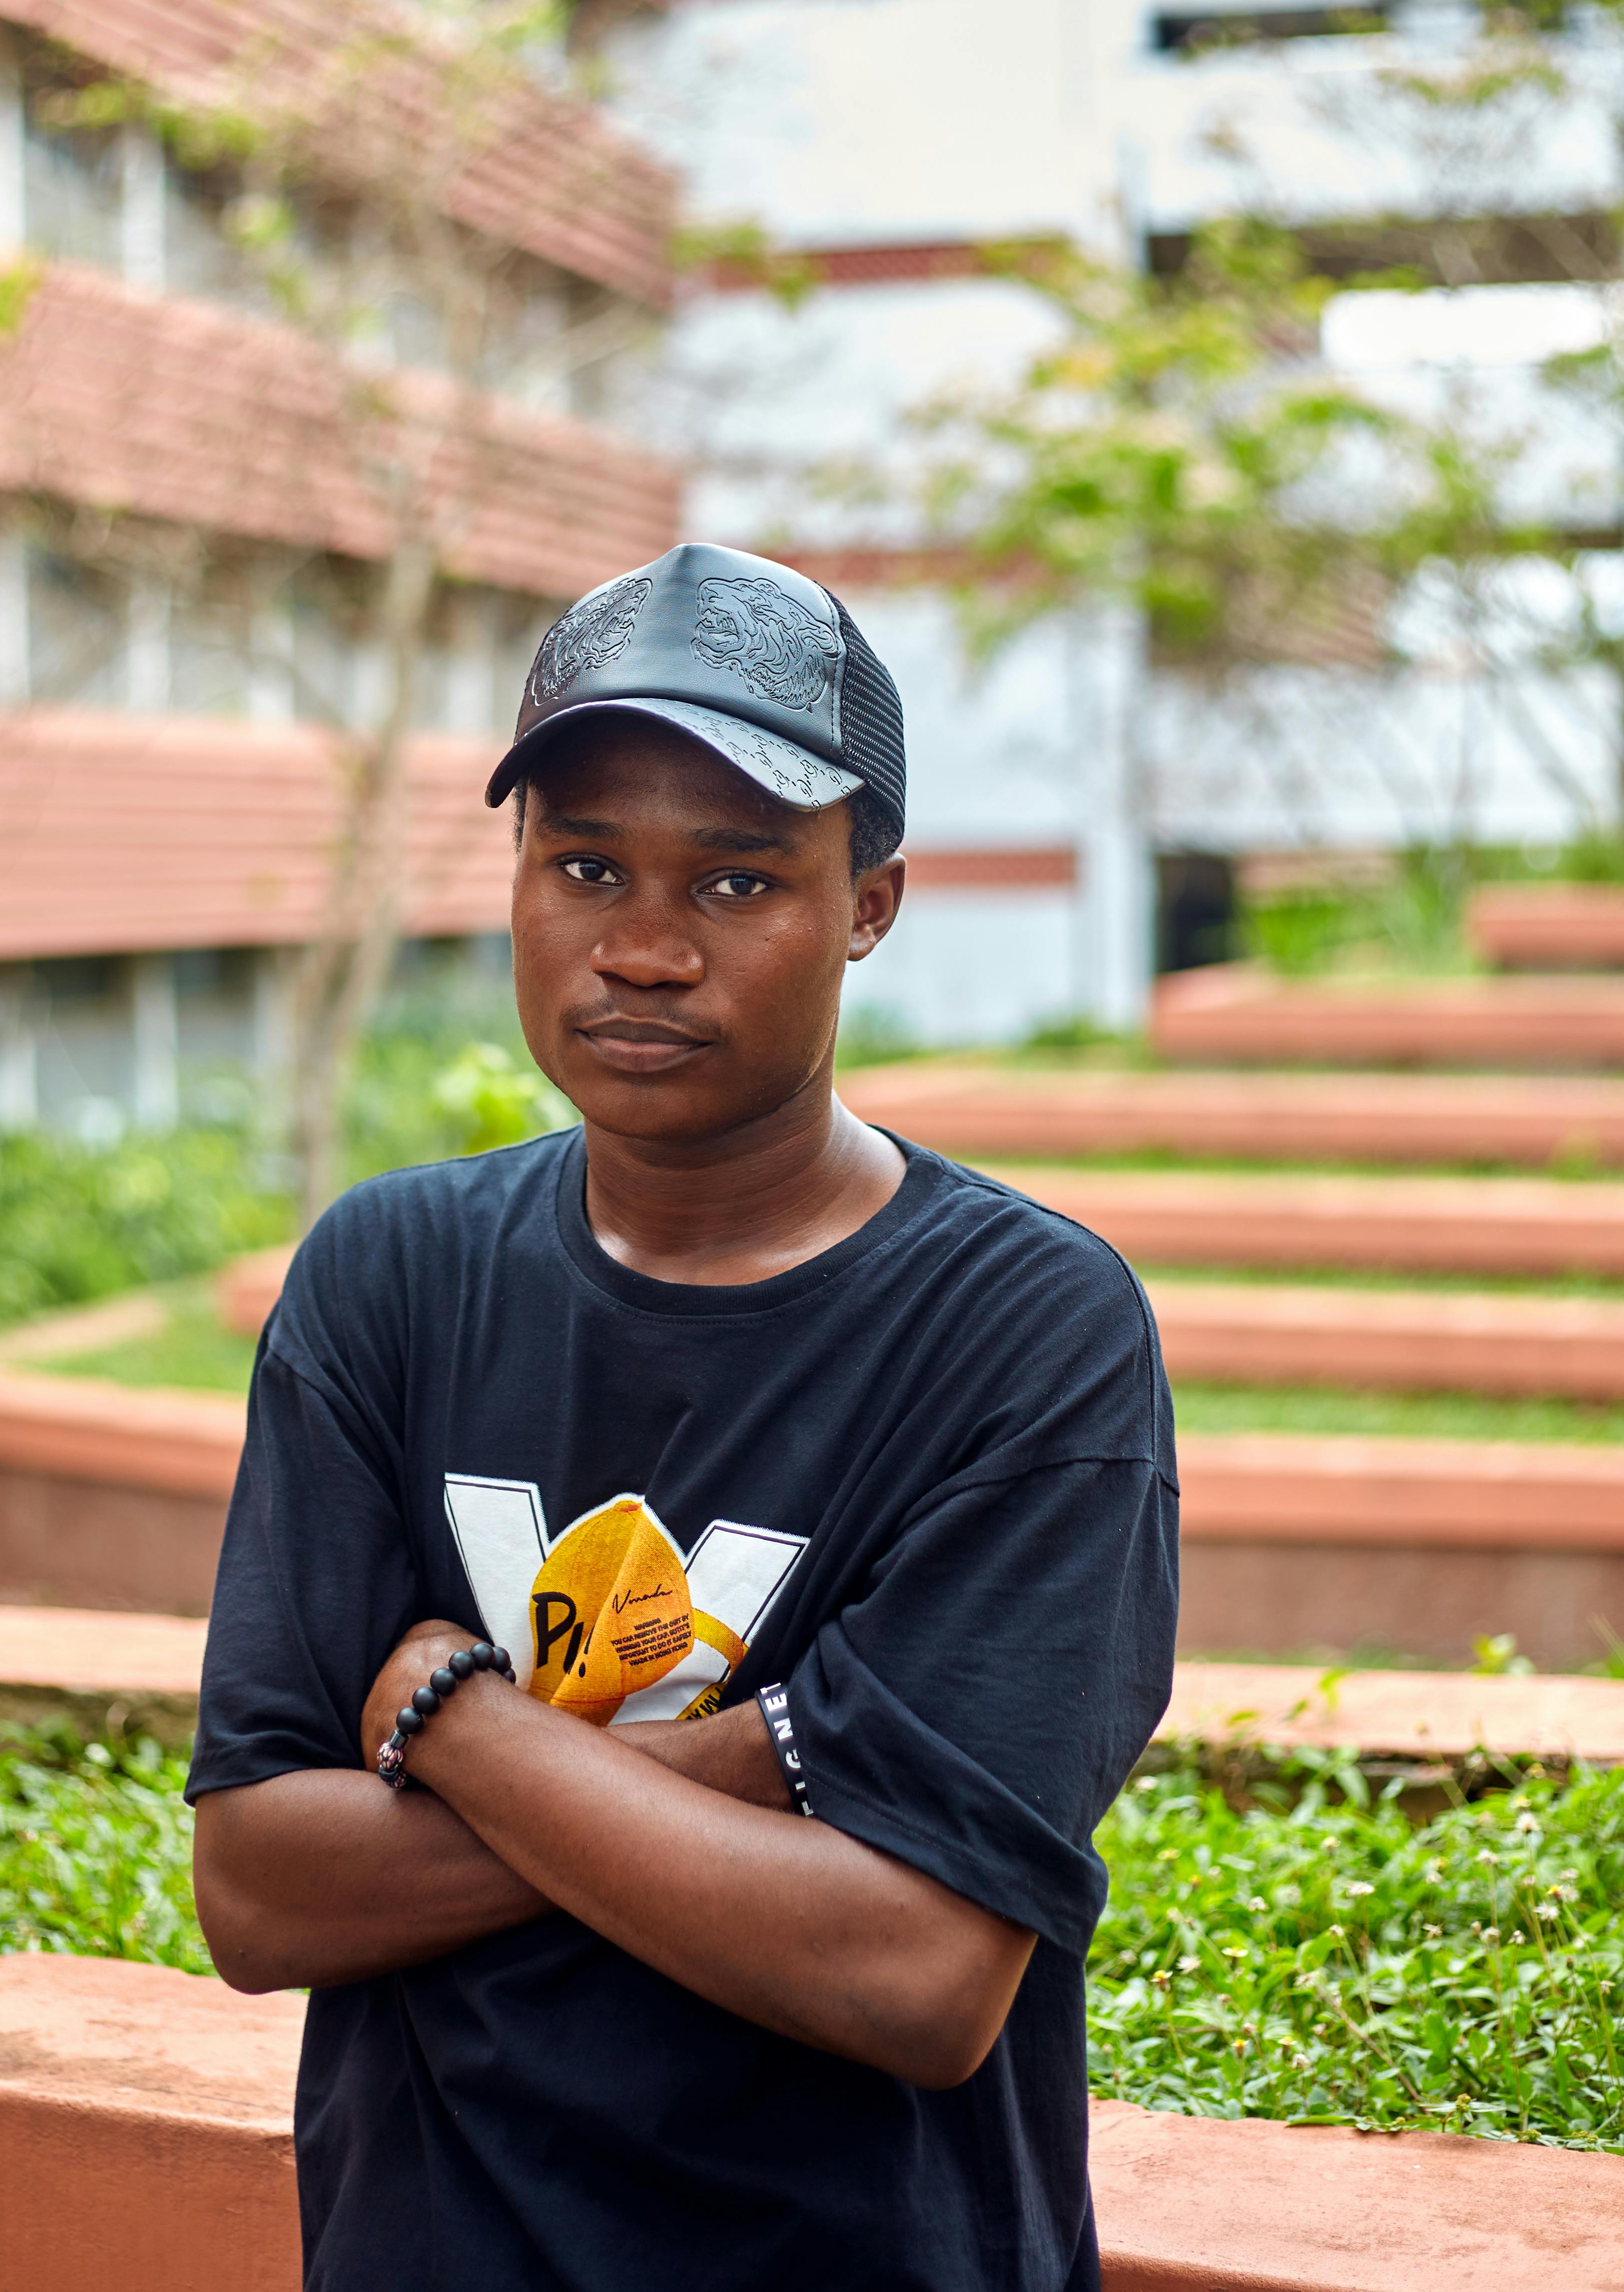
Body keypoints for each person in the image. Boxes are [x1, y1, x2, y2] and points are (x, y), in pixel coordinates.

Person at [188, 542, 1178, 2292]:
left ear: (868, 901)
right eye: (586, 866)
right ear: (516, 872)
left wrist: (465, 1723)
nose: (642, 949)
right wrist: (757, 1759)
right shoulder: (388, 1283)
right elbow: (268, 1890)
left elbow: (917, 1976)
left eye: (737, 881)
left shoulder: (1026, 1331)